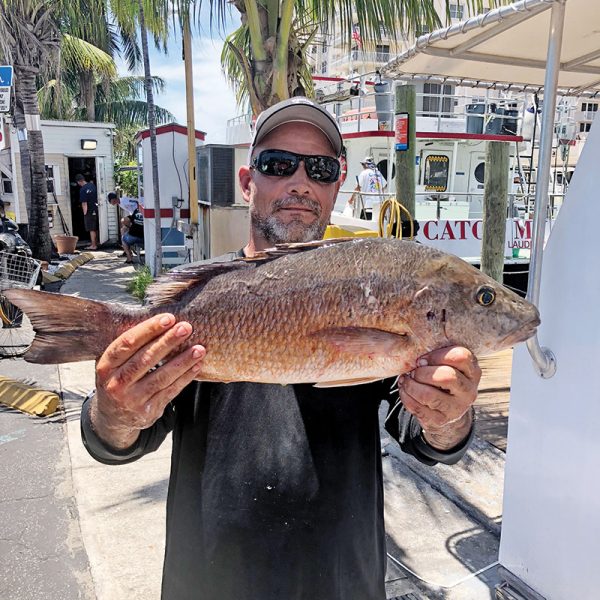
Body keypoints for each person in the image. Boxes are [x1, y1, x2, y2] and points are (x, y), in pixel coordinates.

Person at [80, 97, 480, 600]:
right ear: (248, 181)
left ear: (337, 184)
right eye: (277, 165)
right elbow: (118, 441)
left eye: (319, 168)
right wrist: (115, 412)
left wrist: (448, 416)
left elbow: (424, 436)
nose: (300, 182)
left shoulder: (373, 290)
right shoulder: (200, 298)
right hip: (208, 583)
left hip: (343, 585)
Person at [350, 156, 387, 220]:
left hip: (367, 205)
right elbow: (384, 187)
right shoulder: (378, 173)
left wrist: (351, 199)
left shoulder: (364, 173)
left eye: (363, 164)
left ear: (366, 165)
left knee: (365, 222)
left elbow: (358, 187)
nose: (363, 166)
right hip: (378, 205)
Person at [75, 174, 99, 250]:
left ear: (79, 182)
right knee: (95, 227)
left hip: (89, 210)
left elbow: (84, 203)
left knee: (91, 228)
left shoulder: (82, 189)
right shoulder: (92, 186)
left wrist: (85, 213)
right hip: (96, 208)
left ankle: (93, 245)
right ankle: (97, 242)